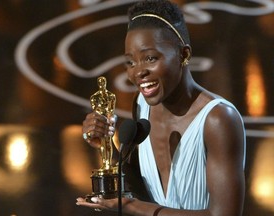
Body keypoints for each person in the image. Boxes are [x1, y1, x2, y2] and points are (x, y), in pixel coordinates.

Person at [77, 0, 246, 215]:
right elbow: (143, 191)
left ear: (183, 55)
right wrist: (106, 147)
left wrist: (129, 206)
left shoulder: (219, 119)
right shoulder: (141, 103)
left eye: (150, 58)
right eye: (130, 62)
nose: (138, 72)